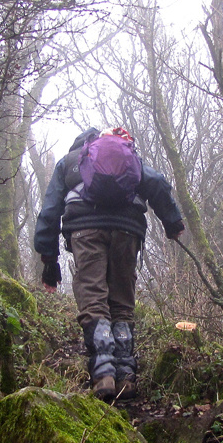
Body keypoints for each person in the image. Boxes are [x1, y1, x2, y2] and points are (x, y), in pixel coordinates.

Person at [34, 127, 184, 402]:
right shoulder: (130, 160)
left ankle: (103, 374)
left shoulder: (69, 162)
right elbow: (158, 183)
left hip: (85, 231)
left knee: (93, 298)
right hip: (127, 231)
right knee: (122, 302)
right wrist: (173, 223)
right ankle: (126, 376)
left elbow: (49, 211)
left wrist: (48, 258)